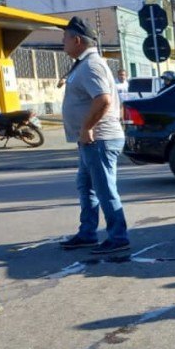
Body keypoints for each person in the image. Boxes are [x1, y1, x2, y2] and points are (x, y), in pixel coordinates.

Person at [58, 16, 131, 254]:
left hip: (98, 138)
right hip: (91, 139)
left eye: (65, 39)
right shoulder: (84, 64)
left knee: (104, 189)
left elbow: (103, 100)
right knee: (87, 186)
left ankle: (118, 237)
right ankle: (88, 233)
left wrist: (87, 127)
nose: (63, 43)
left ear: (77, 40)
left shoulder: (91, 65)